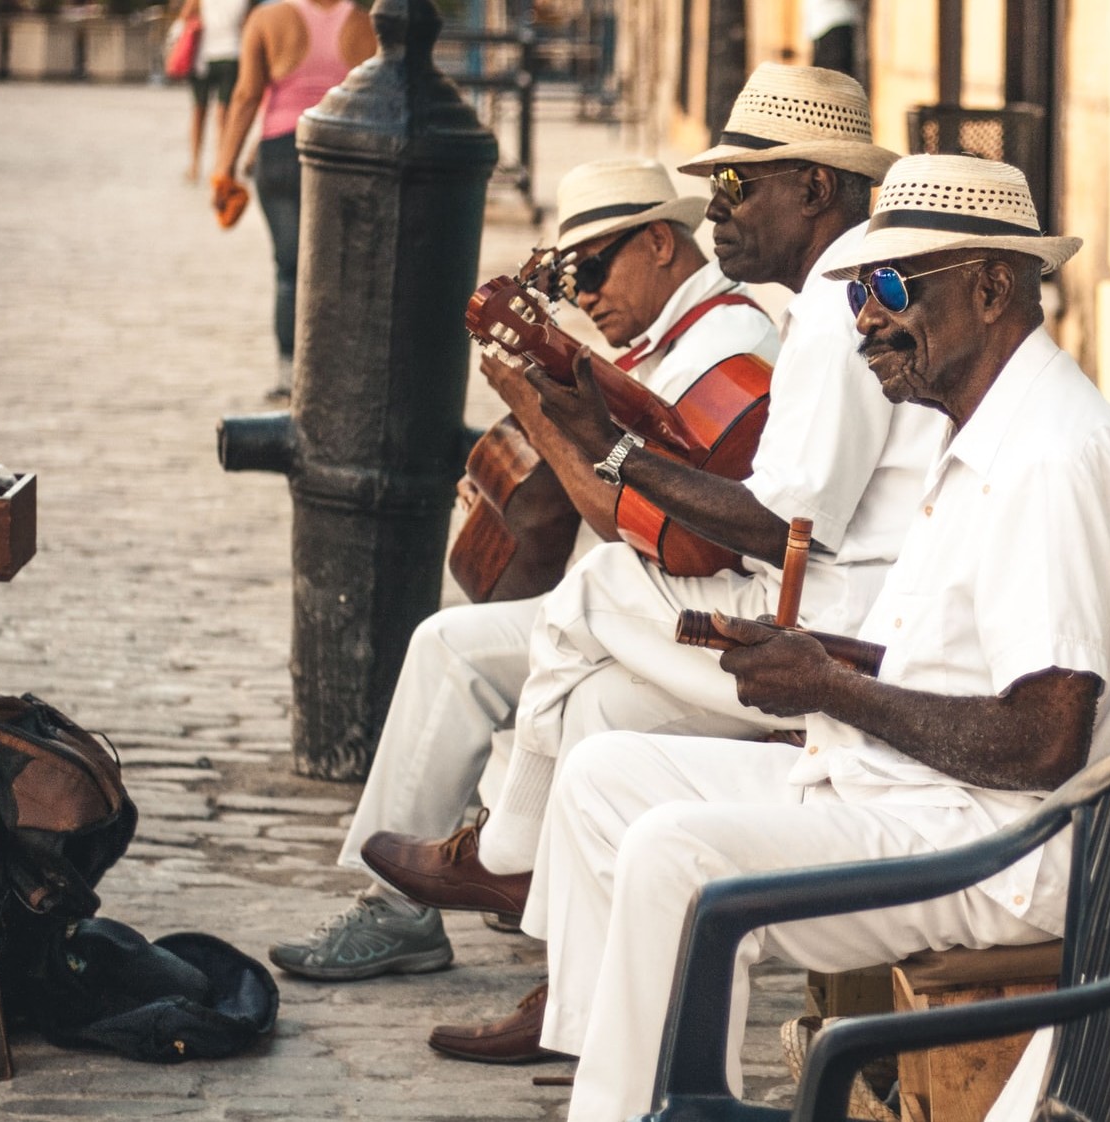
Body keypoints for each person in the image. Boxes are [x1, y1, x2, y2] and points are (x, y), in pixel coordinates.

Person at [497, 154, 1110, 1122]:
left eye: (894, 287)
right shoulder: (985, 422)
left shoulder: (1048, 460)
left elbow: (1045, 740)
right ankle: (640, 1088)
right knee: (606, 778)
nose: (866, 317)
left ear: (992, 289)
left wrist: (833, 689)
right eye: (862, 289)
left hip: (1009, 845)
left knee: (674, 853)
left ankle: (644, 1105)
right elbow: (968, 661)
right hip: (939, 795)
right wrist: (824, 667)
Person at [359, 63, 946, 1064]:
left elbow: (776, 528)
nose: (722, 208)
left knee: (596, 586)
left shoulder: (847, 310)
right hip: (826, 600)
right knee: (597, 720)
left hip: (834, 633)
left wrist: (613, 450)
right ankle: (577, 1014)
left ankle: (506, 853)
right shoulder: (820, 305)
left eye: (738, 186)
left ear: (813, 188)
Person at [267, 158, 782, 982]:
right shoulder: (667, 342)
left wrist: (544, 415)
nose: (581, 297)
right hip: (646, 601)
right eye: (567, 280)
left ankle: (480, 879)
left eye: (592, 270)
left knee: (480, 654)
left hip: (696, 609)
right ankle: (424, 896)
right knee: (452, 643)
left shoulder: (725, 345)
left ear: (658, 242)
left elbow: (653, 532)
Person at [210, 0, 376, 402]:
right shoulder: (364, 25)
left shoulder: (266, 20)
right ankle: (337, 371)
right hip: (345, 153)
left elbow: (247, 94)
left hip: (283, 151)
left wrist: (225, 167)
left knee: (289, 269)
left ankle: (288, 377)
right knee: (342, 269)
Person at [178, 0, 251, 183]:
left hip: (204, 55)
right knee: (223, 114)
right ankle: (221, 165)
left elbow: (186, 15)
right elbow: (246, 23)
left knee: (199, 112)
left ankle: (195, 165)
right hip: (231, 53)